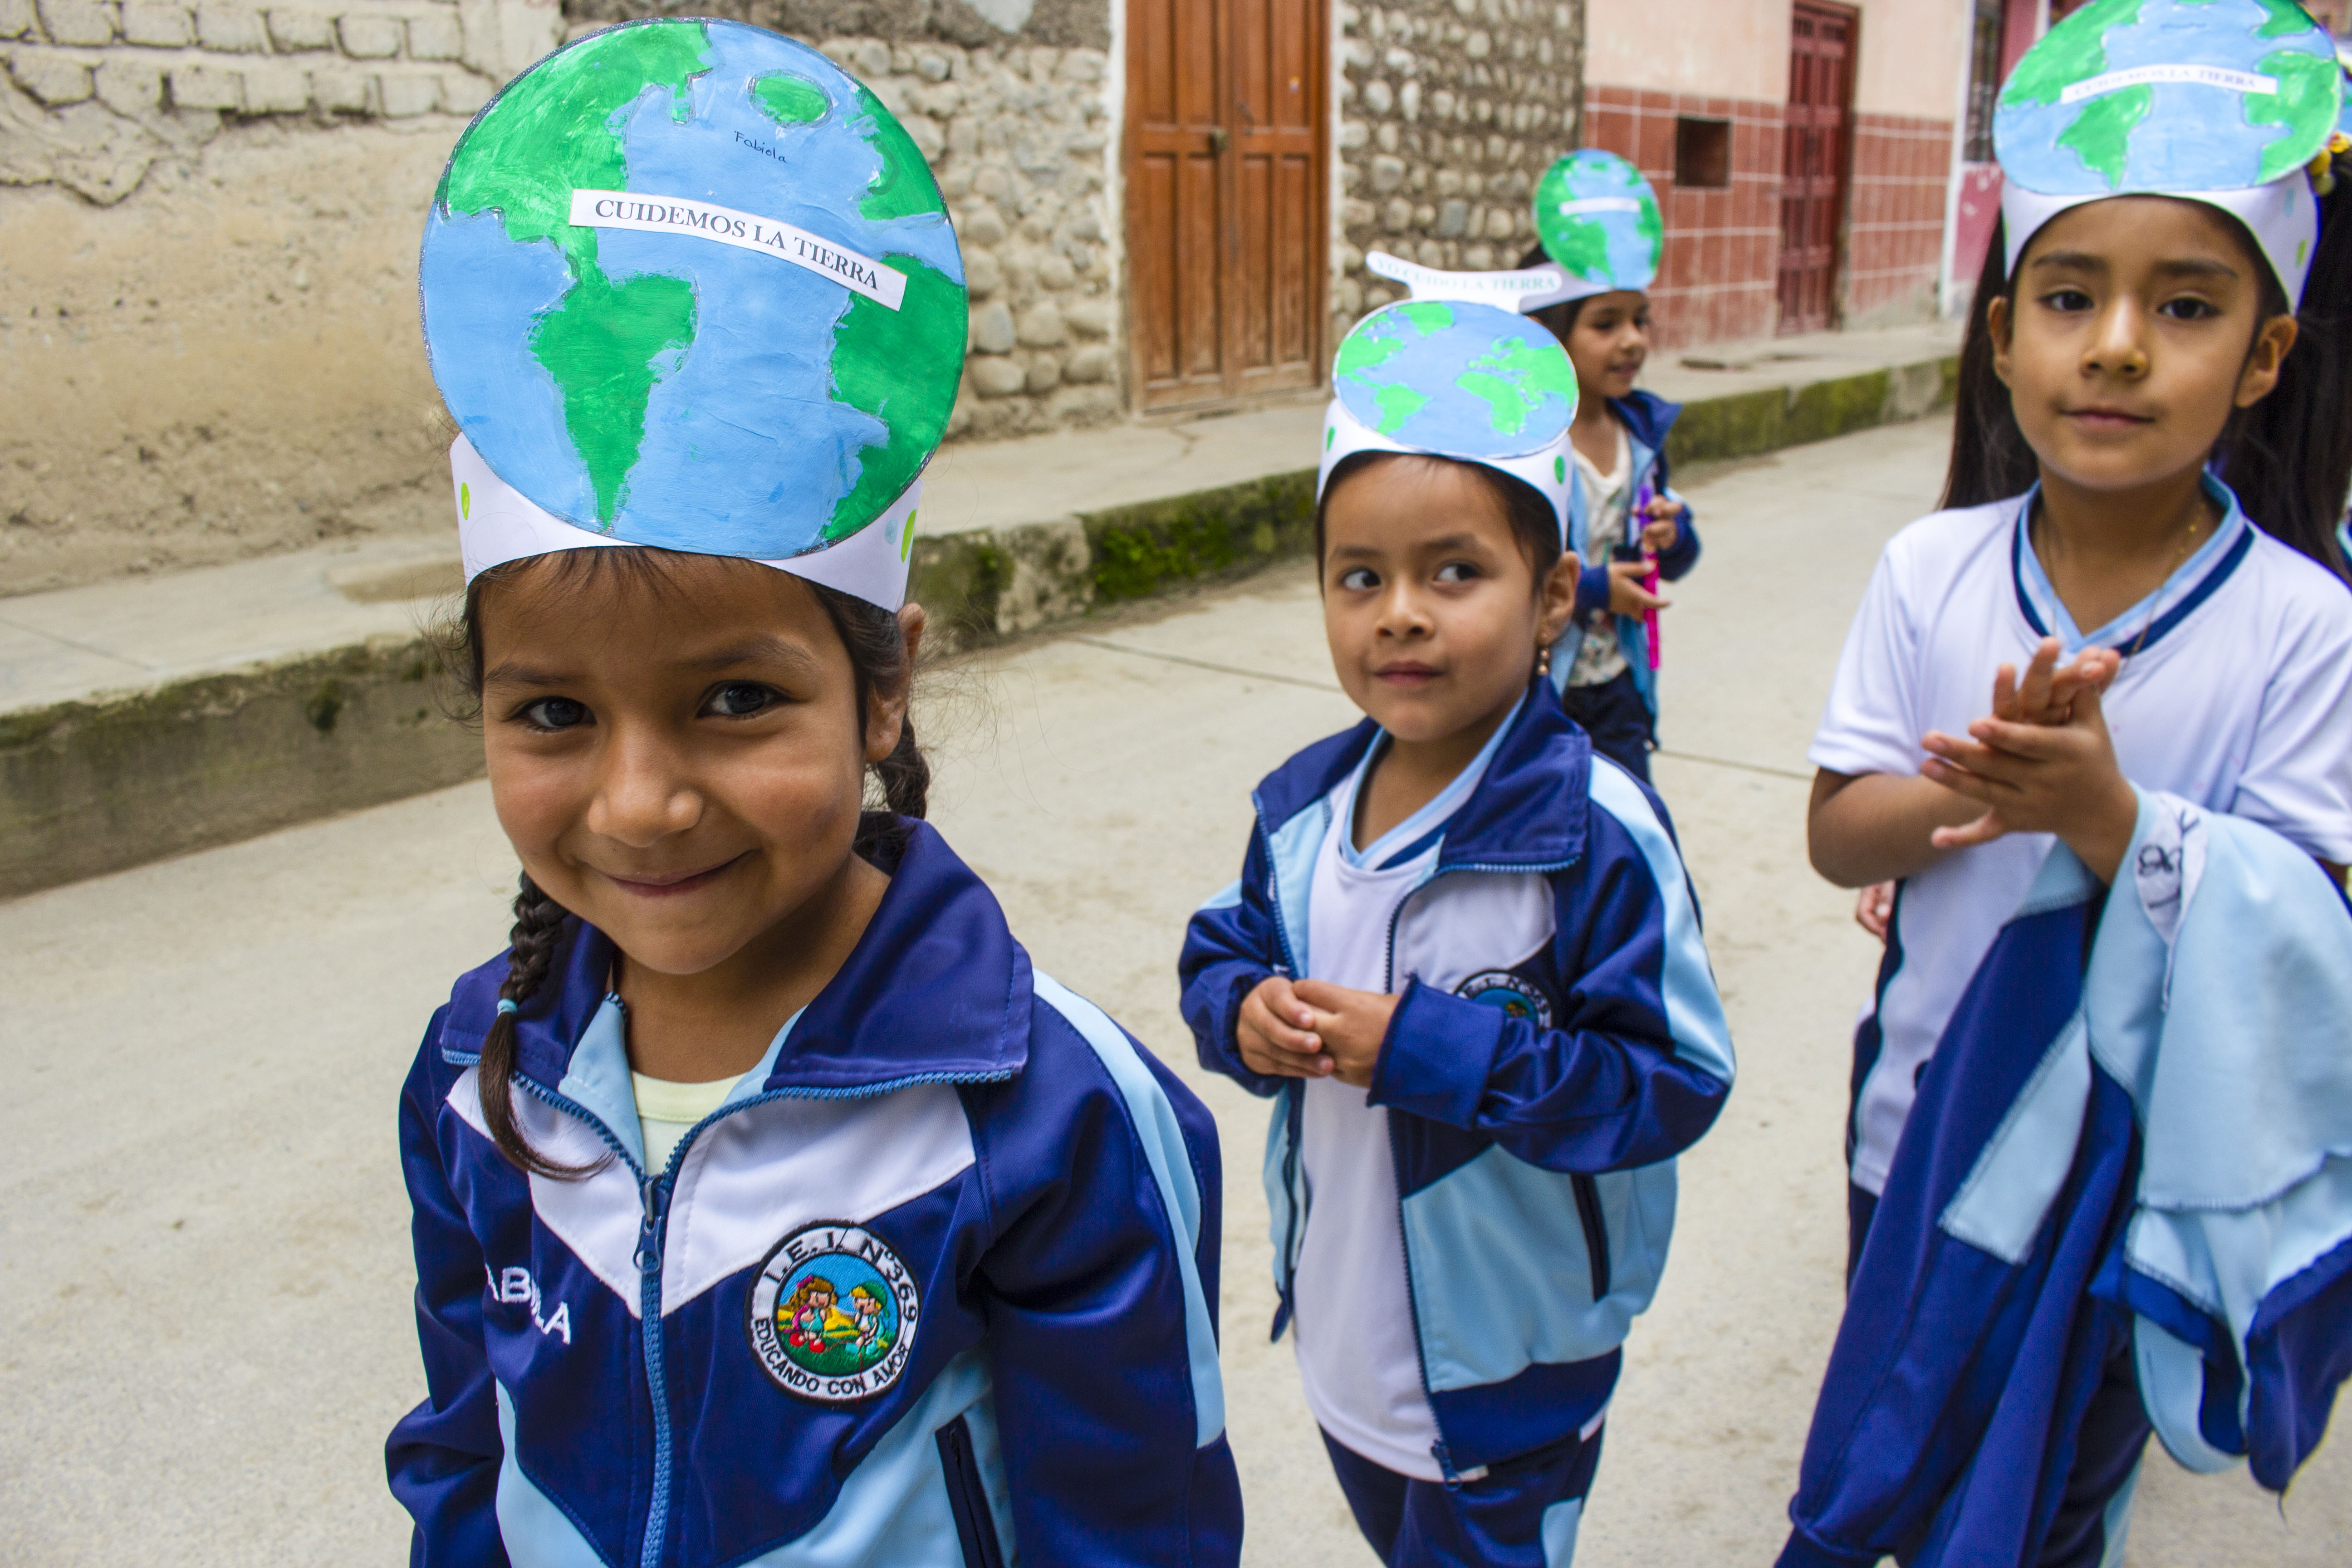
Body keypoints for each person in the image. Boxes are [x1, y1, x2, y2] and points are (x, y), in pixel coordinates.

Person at [385, 22, 1241, 1568]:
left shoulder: (1047, 1119)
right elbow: (462, 1447)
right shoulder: (475, 1077)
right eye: (556, 712)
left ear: (885, 687)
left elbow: (1137, 1529)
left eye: (732, 701)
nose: (641, 802)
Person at [1786, 4, 2352, 1565]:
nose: (2112, 343)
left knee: (2042, 1502)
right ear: (2001, 334)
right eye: (2067, 296)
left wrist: (2106, 819)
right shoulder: (1928, 570)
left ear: (2266, 353)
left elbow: (2308, 922)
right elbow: (1841, 834)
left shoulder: (2302, 625)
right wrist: (1966, 796)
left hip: (2136, 1173)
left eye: (2181, 305)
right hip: (1909, 1135)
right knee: (1897, 1451)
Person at [1181, 300, 1736, 1567]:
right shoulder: (1302, 807)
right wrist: (1244, 1012)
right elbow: (1225, 946)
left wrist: (1433, 1052)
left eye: (1455, 573)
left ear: (1550, 601)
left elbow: (1676, 1082)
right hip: (1345, 1334)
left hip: (1515, 1366)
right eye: (1360, 577)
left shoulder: (1594, 830)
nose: (1401, 615)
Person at [1517, 149, 1700, 780]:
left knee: (1632, 831)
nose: (1633, 339)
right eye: (1606, 323)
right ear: (1551, 334)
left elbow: (1670, 561)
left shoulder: (1640, 433)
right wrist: (1597, 590)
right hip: (1541, 692)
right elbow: (1512, 574)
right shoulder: (1530, 445)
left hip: (1621, 684)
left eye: (1640, 319)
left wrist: (1675, 536)